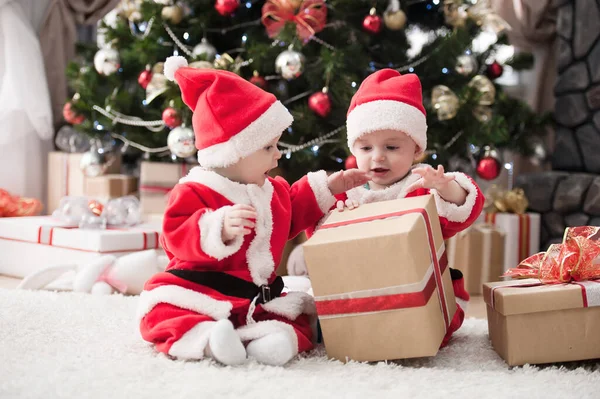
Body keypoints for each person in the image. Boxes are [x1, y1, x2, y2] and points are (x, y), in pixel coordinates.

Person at [137, 56, 368, 366]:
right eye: (268, 148)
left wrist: (330, 186)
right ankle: (207, 340)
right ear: (234, 152)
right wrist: (217, 227)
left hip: (254, 296)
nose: (278, 155)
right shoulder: (195, 190)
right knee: (163, 311)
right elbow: (174, 235)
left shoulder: (269, 191)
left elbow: (293, 208)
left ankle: (267, 341)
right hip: (201, 288)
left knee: (299, 314)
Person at [311, 69, 485, 347]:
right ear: (353, 149)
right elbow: (320, 235)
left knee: (427, 326)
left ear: (416, 149)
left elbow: (463, 208)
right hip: (361, 286)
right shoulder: (348, 190)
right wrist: (338, 218)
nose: (377, 156)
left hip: (416, 286)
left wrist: (444, 187)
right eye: (365, 148)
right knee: (335, 321)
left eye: (391, 147)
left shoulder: (421, 184)